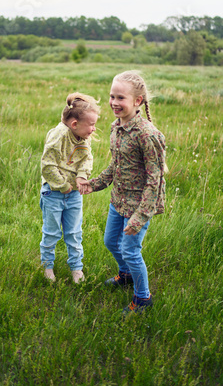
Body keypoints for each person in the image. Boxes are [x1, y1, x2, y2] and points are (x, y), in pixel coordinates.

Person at [79, 71, 166, 313]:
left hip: (139, 205)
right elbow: (115, 165)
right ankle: (125, 274)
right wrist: (94, 183)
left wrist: (140, 217)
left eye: (121, 98)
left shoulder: (148, 135)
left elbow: (155, 180)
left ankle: (143, 298)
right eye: (112, 96)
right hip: (118, 201)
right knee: (110, 241)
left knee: (130, 249)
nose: (114, 103)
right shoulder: (115, 127)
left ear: (137, 101)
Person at [40, 92, 100, 283]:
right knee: (51, 232)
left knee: (74, 233)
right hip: (53, 193)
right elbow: (47, 165)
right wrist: (63, 185)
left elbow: (86, 158)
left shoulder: (83, 136)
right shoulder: (59, 136)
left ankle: (76, 268)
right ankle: (47, 266)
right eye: (91, 125)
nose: (93, 129)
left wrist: (82, 176)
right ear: (74, 124)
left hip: (74, 195)